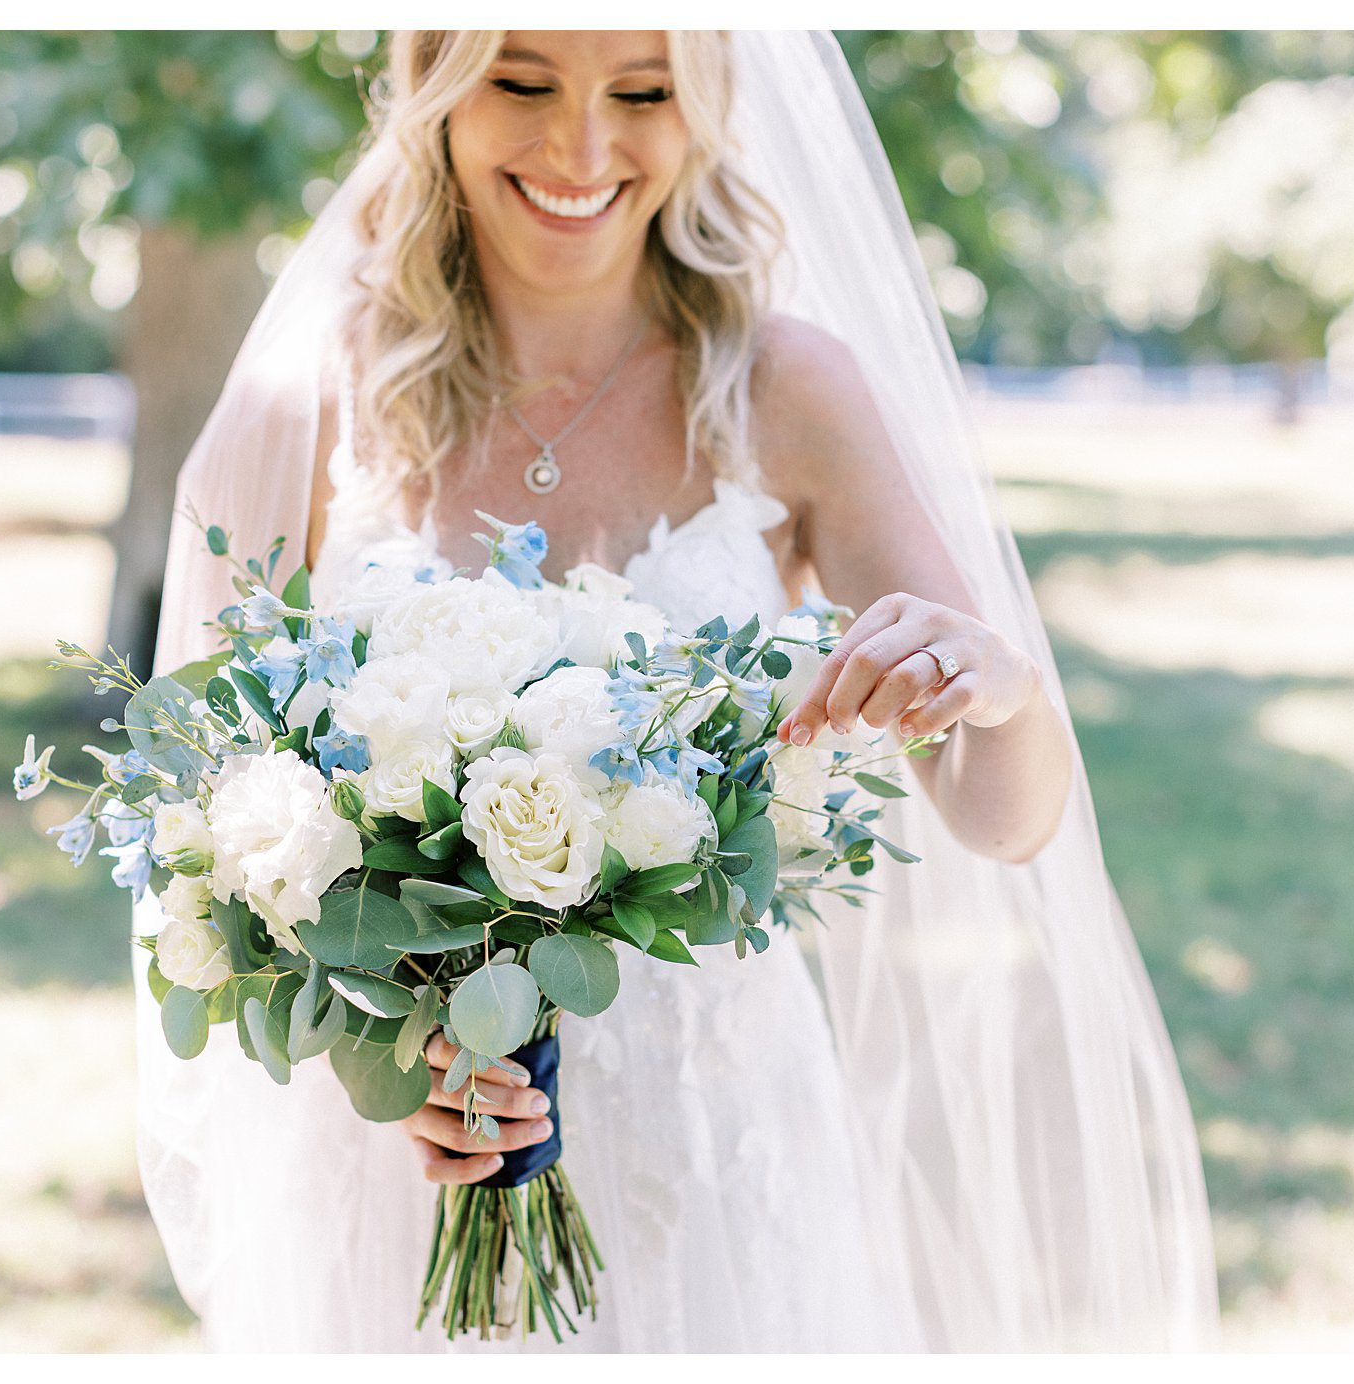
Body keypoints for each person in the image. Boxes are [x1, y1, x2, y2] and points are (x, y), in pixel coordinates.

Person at [135, 30, 1218, 1352]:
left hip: (715, 1146)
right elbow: (205, 840)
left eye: (640, 93)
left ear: (703, 105)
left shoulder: (789, 390)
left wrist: (1004, 697)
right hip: (407, 1167)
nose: (581, 150)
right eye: (522, 83)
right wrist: (376, 1051)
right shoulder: (313, 398)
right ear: (436, 86)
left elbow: (1003, 817)